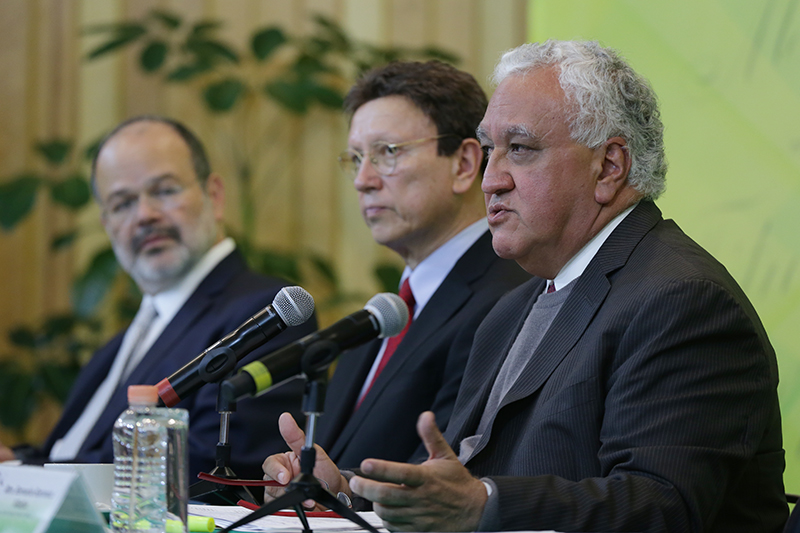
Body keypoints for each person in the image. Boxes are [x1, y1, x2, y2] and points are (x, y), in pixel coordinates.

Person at [263, 41, 788, 532]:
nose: (491, 179)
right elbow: (460, 477)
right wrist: (346, 493)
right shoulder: (514, 307)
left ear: (609, 167)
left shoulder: (682, 300)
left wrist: (485, 504)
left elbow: (661, 505)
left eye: (520, 148)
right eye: (490, 149)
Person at [0, 116, 317, 481]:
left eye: (164, 191)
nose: (144, 216)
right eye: (122, 204)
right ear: (107, 225)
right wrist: (16, 461)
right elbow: (72, 452)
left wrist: (28, 475)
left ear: (214, 196)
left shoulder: (266, 316)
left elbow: (211, 467)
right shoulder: (121, 343)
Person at [312, 61, 530, 468]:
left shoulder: (509, 301)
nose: (362, 179)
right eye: (357, 158)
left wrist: (338, 493)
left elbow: (443, 474)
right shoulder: (384, 313)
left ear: (464, 164)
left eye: (388, 152)